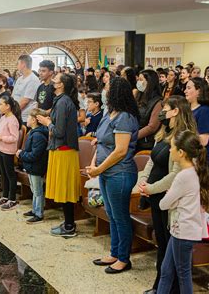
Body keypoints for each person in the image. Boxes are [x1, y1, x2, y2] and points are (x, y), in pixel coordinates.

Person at [135, 96, 197, 294]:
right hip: (154, 192)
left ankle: (168, 288)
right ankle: (160, 285)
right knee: (161, 242)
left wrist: (151, 188)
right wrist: (143, 181)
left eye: (166, 108)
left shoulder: (182, 137)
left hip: (167, 195)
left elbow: (175, 174)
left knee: (168, 243)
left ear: (176, 111)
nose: (163, 111)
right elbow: (152, 160)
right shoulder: (164, 131)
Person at [90, 77, 139, 273]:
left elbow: (120, 150)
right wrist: (94, 164)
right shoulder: (109, 113)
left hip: (120, 173)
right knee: (111, 214)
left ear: (116, 92)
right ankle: (114, 252)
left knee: (120, 216)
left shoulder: (125, 117)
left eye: (107, 87)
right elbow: (99, 141)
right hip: (105, 171)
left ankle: (124, 258)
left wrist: (99, 169)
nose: (104, 90)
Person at [157, 130, 209, 294]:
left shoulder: (183, 176)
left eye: (172, 147)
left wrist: (171, 199)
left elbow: (163, 204)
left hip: (184, 232)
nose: (169, 150)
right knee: (166, 271)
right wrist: (174, 200)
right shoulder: (193, 171)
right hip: (180, 230)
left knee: (183, 275)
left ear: (181, 152)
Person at [37, 73, 81, 237]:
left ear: (60, 85)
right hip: (60, 150)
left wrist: (47, 123)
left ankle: (69, 226)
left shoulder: (63, 102)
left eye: (56, 78)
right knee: (64, 189)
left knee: (66, 189)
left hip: (64, 151)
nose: (53, 79)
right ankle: (68, 223)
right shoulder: (61, 100)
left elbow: (60, 131)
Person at [17, 108, 49, 223]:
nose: (27, 120)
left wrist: (21, 154)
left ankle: (39, 213)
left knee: (37, 191)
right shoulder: (33, 132)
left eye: (29, 117)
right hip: (31, 166)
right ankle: (35, 209)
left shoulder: (38, 135)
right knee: (33, 188)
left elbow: (35, 155)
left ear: (35, 120)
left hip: (36, 166)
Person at [0, 95, 21, 210]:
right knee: (3, 175)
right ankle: (5, 196)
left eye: (0, 104)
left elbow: (14, 138)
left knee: (10, 175)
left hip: (8, 151)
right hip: (0, 149)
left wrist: (1, 138)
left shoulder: (13, 120)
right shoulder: (3, 117)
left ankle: (12, 199)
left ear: (8, 106)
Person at [184, 77, 209, 168]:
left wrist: (182, 137)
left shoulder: (204, 111)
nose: (185, 91)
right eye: (186, 88)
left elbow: (203, 140)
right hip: (187, 155)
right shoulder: (187, 109)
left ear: (199, 91)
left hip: (199, 160)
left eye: (189, 88)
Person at [136, 70, 162, 152]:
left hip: (146, 142)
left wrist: (133, 136)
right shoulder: (139, 96)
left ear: (149, 82)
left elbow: (152, 127)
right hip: (136, 140)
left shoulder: (158, 102)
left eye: (141, 80)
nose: (138, 82)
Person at [12, 55, 41, 125]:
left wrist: (12, 112)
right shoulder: (19, 79)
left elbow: (25, 101)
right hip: (16, 114)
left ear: (23, 65)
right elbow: (13, 95)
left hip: (25, 117)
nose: (17, 66)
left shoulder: (33, 79)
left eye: (18, 64)